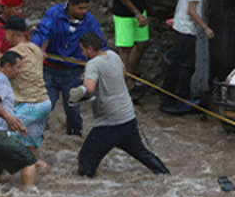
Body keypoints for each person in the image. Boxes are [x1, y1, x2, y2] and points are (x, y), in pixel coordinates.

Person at [70, 32, 170, 178]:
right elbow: (123, 73)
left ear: (90, 48)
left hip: (108, 123)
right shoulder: (113, 55)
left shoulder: (92, 64)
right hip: (128, 118)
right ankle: (166, 175)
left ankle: (85, 187)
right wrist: (94, 78)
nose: (82, 53)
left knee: (86, 158)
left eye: (83, 50)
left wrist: (79, 93)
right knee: (142, 153)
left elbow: (89, 89)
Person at [112, 0, 201, 97]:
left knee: (142, 43)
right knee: (125, 48)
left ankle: (129, 78)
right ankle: (120, 85)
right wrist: (136, 13)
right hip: (124, 11)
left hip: (140, 7)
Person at [31, 0, 105, 136]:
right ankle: (36, 131)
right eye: (80, 8)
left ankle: (75, 135)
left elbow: (99, 44)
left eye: (86, 8)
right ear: (70, 5)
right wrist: (33, 49)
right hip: (51, 68)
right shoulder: (54, 13)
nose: (84, 11)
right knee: (46, 103)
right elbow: (41, 32)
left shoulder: (90, 21)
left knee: (72, 107)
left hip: (74, 70)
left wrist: (106, 60)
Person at [0, 15, 51, 165]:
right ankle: (40, 169)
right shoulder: (36, 49)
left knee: (2, 137)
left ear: (10, 33)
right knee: (29, 145)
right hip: (44, 103)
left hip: (30, 104)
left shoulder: (15, 54)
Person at [161, 0, 217, 115]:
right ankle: (180, 99)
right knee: (187, 66)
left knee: (177, 63)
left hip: (180, 27)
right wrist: (205, 28)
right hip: (186, 30)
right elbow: (191, 10)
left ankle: (168, 96)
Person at [0, 51, 39, 186]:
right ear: (8, 66)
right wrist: (8, 118)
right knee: (30, 162)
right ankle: (29, 196)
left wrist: (14, 122)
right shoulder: (0, 80)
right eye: (18, 68)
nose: (20, 71)